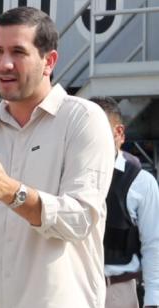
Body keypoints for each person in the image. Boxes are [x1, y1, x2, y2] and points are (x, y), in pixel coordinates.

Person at [0, 6, 115, 308]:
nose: (4, 64)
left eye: (18, 52)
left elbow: (79, 219)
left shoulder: (82, 120)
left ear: (49, 61)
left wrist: (13, 193)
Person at [90, 96, 159, 308]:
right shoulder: (67, 176)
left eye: (98, 135)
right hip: (73, 289)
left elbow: (153, 243)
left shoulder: (141, 181)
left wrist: (153, 300)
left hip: (118, 291)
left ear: (119, 134)